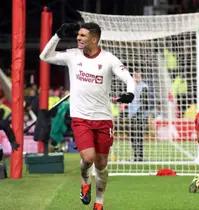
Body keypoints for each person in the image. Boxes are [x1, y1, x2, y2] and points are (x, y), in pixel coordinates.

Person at [40, 22, 135, 210]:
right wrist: (57, 36)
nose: (78, 38)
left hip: (103, 119)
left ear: (94, 38)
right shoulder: (73, 55)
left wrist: (130, 93)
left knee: (101, 165)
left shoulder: (109, 59)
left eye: (83, 36)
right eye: (78, 35)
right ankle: (85, 182)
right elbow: (45, 56)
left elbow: (128, 79)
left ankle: (99, 202)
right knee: (88, 158)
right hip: (81, 117)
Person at [127, 70, 149, 161]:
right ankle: (135, 156)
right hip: (131, 115)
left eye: (138, 73)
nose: (136, 74)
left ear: (141, 75)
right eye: (134, 73)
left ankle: (140, 157)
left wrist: (138, 114)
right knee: (132, 136)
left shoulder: (144, 87)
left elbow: (145, 103)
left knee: (138, 136)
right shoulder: (130, 86)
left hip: (140, 116)